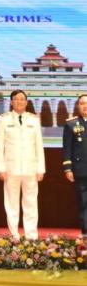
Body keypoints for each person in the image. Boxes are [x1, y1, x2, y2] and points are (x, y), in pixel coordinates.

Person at [0, 90, 45, 240]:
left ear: (26, 102)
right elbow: (0, 146)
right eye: (16, 99)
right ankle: (14, 235)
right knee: (11, 204)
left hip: (31, 168)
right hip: (11, 169)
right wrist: (1, 168)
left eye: (22, 99)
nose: (19, 101)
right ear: (11, 102)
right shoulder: (4, 120)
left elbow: (39, 146)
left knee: (31, 203)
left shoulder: (34, 120)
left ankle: (31, 236)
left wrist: (41, 169)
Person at [63, 94, 87, 238]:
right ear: (78, 106)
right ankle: (85, 232)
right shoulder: (71, 124)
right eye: (82, 103)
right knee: (84, 202)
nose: (85, 106)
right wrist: (68, 169)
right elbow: (67, 149)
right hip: (81, 170)